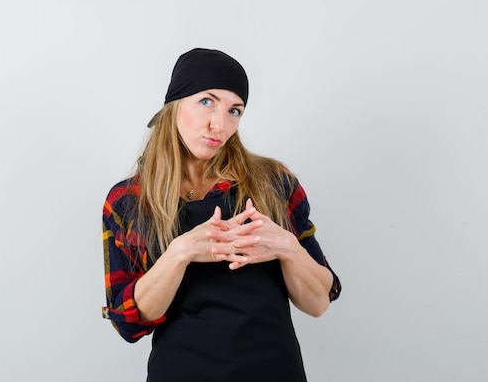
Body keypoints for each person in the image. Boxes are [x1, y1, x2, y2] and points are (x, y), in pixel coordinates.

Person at [101, 48, 341, 382]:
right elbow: (128, 322)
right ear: (174, 104)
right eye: (206, 102)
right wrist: (181, 252)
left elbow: (318, 303)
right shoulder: (129, 201)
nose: (220, 124)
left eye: (235, 110)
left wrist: (287, 247)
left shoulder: (274, 182)